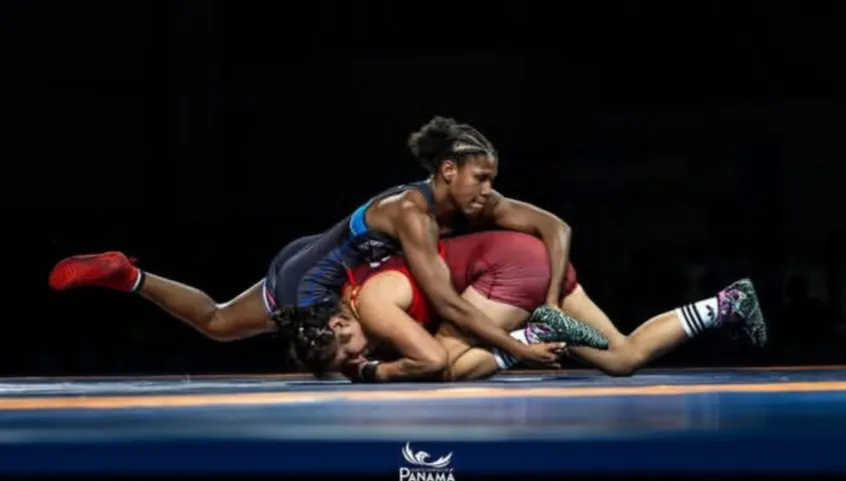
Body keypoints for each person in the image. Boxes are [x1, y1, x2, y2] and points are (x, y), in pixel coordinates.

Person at [48, 116, 598, 367]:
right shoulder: (414, 214)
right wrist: (517, 349)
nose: (490, 191)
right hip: (312, 285)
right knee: (379, 347)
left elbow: (556, 227)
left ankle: (129, 277)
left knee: (217, 323)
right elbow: (449, 308)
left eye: (492, 180)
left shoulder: (474, 197)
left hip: (313, 251)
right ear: (449, 171)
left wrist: (549, 298)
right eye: (482, 179)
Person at [274, 230, 767, 383]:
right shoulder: (359, 303)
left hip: (504, 271)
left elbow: (431, 359)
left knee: (448, 369)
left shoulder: (375, 306)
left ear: (341, 322)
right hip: (519, 264)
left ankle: (532, 331)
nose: (353, 360)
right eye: (345, 366)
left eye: (347, 354)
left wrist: (370, 374)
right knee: (622, 357)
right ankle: (726, 304)